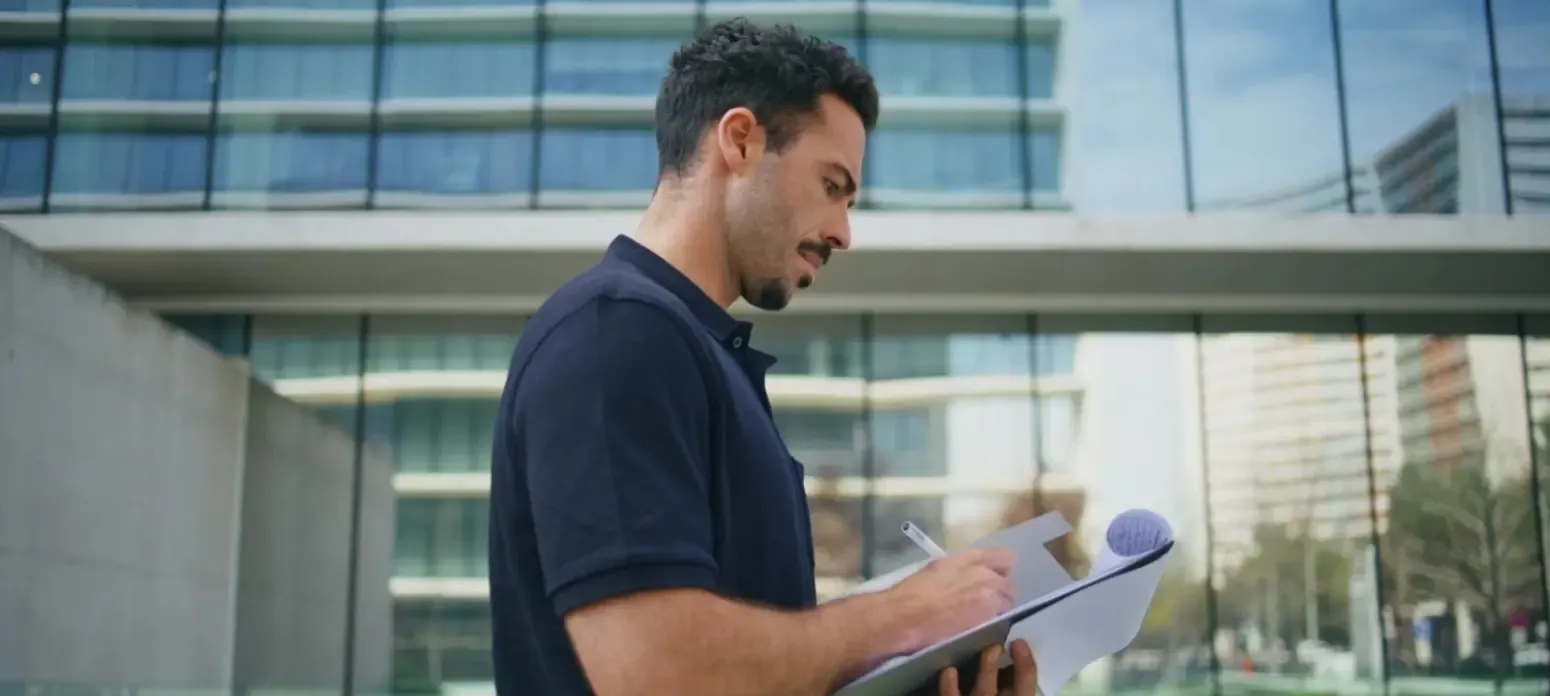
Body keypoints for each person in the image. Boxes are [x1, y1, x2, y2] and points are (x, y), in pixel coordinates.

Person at [487, 18, 1039, 696]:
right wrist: (906, 615)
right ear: (740, 140)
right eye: (832, 185)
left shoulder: (696, 354)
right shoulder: (615, 332)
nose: (843, 232)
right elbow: (656, 674)